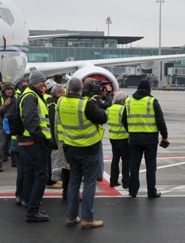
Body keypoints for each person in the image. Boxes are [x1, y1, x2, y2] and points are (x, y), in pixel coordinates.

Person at [57, 77, 107, 228]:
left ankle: (71, 217)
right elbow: (103, 118)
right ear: (81, 89)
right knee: (89, 183)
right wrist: (96, 103)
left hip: (70, 147)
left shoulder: (61, 102)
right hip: (88, 148)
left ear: (67, 89)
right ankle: (87, 219)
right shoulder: (86, 104)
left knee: (73, 183)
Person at [122, 79, 168, 199]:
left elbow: (124, 120)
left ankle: (133, 191)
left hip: (134, 139)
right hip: (150, 139)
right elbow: (160, 121)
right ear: (149, 89)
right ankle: (151, 192)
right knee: (151, 167)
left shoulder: (129, 101)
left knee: (134, 167)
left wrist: (131, 131)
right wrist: (164, 136)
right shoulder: (152, 101)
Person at [19, 70, 54, 222]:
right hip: (34, 142)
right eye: (42, 82)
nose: (44, 85)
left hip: (28, 141)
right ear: (34, 82)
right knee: (42, 175)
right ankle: (32, 209)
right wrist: (41, 137)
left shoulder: (31, 95)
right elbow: (30, 120)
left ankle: (30, 206)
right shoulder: (30, 97)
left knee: (31, 174)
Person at [107, 91, 130, 188]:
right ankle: (126, 182)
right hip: (123, 138)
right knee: (126, 161)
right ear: (123, 100)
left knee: (115, 160)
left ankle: (113, 181)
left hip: (113, 137)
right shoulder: (123, 109)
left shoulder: (109, 109)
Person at [0, 83, 16, 172]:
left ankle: (14, 161)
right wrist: (5, 105)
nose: (10, 91)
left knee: (14, 143)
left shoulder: (16, 98)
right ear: (4, 91)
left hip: (13, 123)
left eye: (11, 89)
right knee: (1, 144)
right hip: (3, 124)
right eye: (8, 89)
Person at [45, 82, 63, 189]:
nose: (64, 94)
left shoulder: (54, 103)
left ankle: (53, 179)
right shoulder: (52, 105)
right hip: (53, 138)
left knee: (54, 160)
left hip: (56, 137)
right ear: (56, 93)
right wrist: (53, 139)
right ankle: (51, 181)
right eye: (62, 92)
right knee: (53, 160)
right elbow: (52, 123)